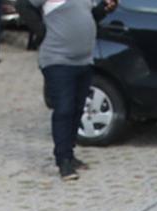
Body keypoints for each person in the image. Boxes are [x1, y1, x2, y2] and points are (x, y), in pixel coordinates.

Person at [38, 0, 117, 181]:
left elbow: (91, 14)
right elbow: (24, 6)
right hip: (57, 59)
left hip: (83, 60)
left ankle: (69, 153)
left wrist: (105, 8)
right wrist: (41, 31)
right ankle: (62, 160)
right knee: (64, 108)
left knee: (77, 108)